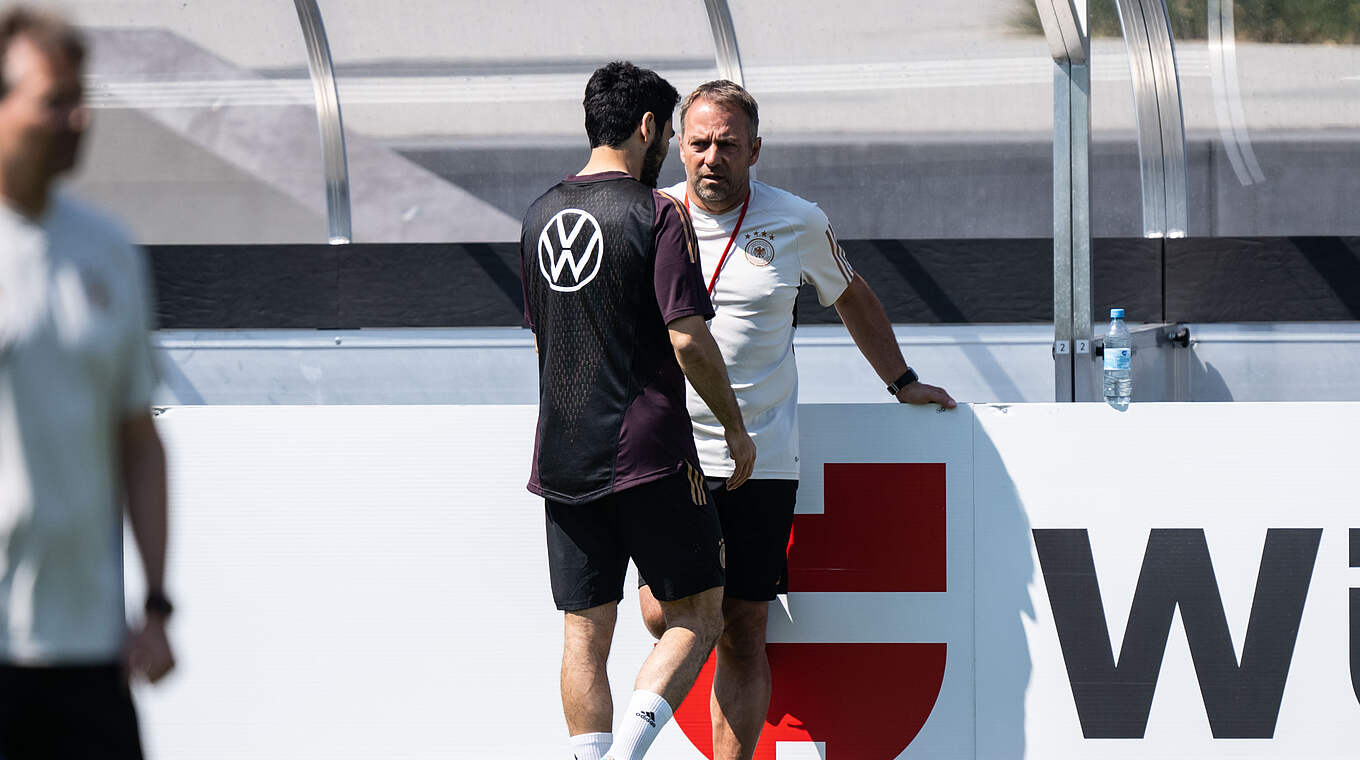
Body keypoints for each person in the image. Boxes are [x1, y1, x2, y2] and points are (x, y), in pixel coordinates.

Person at [638, 80, 957, 760]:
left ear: (755, 149)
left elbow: (852, 295)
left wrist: (900, 381)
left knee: (745, 627)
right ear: (676, 146)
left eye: (728, 144)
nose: (711, 157)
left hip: (763, 458)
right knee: (663, 613)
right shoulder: (649, 215)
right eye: (698, 143)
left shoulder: (797, 220)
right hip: (670, 457)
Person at [519, 62, 756, 760]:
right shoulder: (656, 213)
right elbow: (687, 336)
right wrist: (735, 427)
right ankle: (626, 754)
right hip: (648, 453)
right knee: (699, 613)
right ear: (650, 129)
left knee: (583, 635)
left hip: (561, 457)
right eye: (670, 135)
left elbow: (544, 335)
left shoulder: (537, 215)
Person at [0, 7, 175, 759]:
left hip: (90, 650)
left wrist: (158, 605)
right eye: (54, 100)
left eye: (82, 98)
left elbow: (138, 438)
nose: (78, 118)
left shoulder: (108, 252)